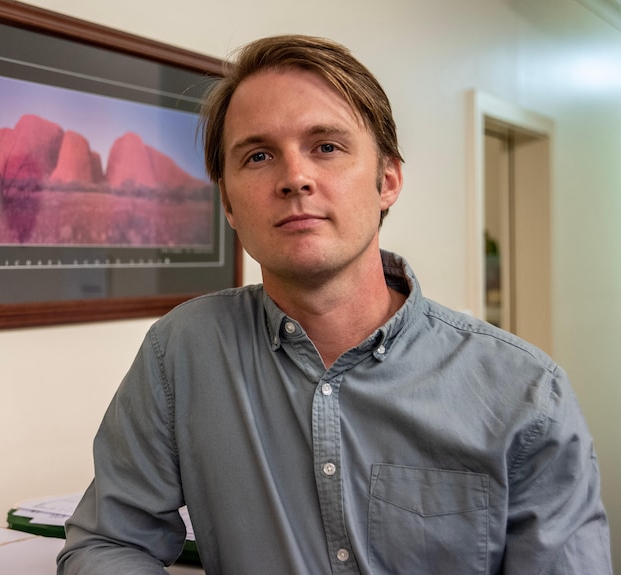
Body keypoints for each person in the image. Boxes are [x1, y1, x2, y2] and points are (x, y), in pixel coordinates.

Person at [57, 34, 612, 574]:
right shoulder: (180, 352)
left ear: (387, 180)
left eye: (326, 146)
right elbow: (107, 542)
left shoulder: (526, 392)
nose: (295, 178)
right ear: (227, 202)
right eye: (257, 155)